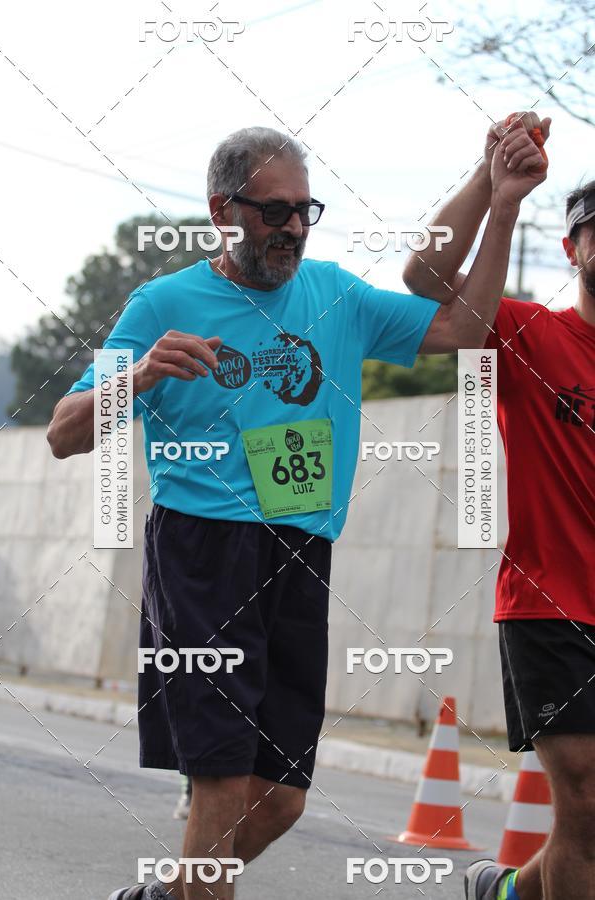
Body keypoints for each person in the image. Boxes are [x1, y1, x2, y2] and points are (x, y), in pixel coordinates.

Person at [47, 122, 547, 900]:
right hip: (201, 554)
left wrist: (504, 201)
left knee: (280, 798)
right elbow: (63, 434)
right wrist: (139, 376)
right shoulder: (163, 302)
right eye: (274, 212)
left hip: (302, 552)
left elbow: (462, 329)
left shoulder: (337, 294)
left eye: (303, 212)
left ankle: (170, 893)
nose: (291, 230)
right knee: (219, 778)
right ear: (224, 210)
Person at [403, 119, 595, 900]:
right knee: (584, 801)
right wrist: (498, 190)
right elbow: (426, 282)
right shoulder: (527, 334)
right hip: (550, 608)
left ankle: (509, 892)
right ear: (573, 249)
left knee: (589, 827)